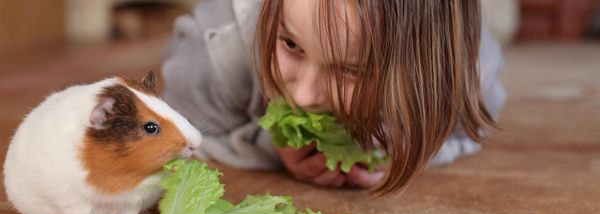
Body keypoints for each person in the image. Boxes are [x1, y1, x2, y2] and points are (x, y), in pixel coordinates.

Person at [161, 0, 506, 195]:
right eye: (291, 44)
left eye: (351, 70)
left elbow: (471, 134)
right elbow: (180, 131)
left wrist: (408, 149)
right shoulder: (214, 51)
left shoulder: (470, 78)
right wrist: (267, 146)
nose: (304, 95)